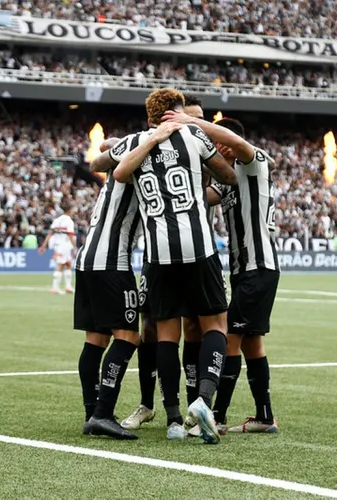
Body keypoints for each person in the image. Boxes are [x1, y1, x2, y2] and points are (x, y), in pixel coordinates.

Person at [113, 88, 237, 444]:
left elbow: (113, 168)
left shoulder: (135, 141)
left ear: (150, 116)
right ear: (178, 112)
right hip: (198, 246)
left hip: (157, 253)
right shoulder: (194, 134)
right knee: (216, 323)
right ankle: (205, 400)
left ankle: (172, 419)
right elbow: (227, 175)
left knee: (166, 332)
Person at [166, 112, 281, 434]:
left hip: (258, 265)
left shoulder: (253, 161)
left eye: (220, 143)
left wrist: (190, 124)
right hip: (247, 269)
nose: (220, 149)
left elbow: (237, 142)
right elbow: (199, 200)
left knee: (230, 337)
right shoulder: (229, 179)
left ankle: (215, 416)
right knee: (251, 344)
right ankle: (264, 417)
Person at [121, 94, 208, 433]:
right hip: (160, 251)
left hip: (199, 251)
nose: (188, 121)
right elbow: (106, 162)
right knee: (152, 327)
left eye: (196, 118)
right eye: (187, 115)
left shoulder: (202, 142)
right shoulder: (151, 144)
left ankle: (194, 408)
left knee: (196, 328)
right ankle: (149, 404)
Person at [74, 139, 145, 440]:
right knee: (128, 337)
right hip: (112, 262)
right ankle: (103, 414)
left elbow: (106, 145)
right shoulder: (137, 167)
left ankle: (93, 412)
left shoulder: (118, 166)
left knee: (96, 339)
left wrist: (124, 142)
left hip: (87, 258)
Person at [38, 205, 77, 294]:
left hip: (58, 245)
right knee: (60, 265)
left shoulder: (57, 220)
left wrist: (43, 246)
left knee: (68, 264)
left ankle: (68, 286)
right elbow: (70, 235)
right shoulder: (69, 221)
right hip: (65, 245)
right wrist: (75, 247)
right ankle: (55, 288)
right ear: (69, 211)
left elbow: (50, 233)